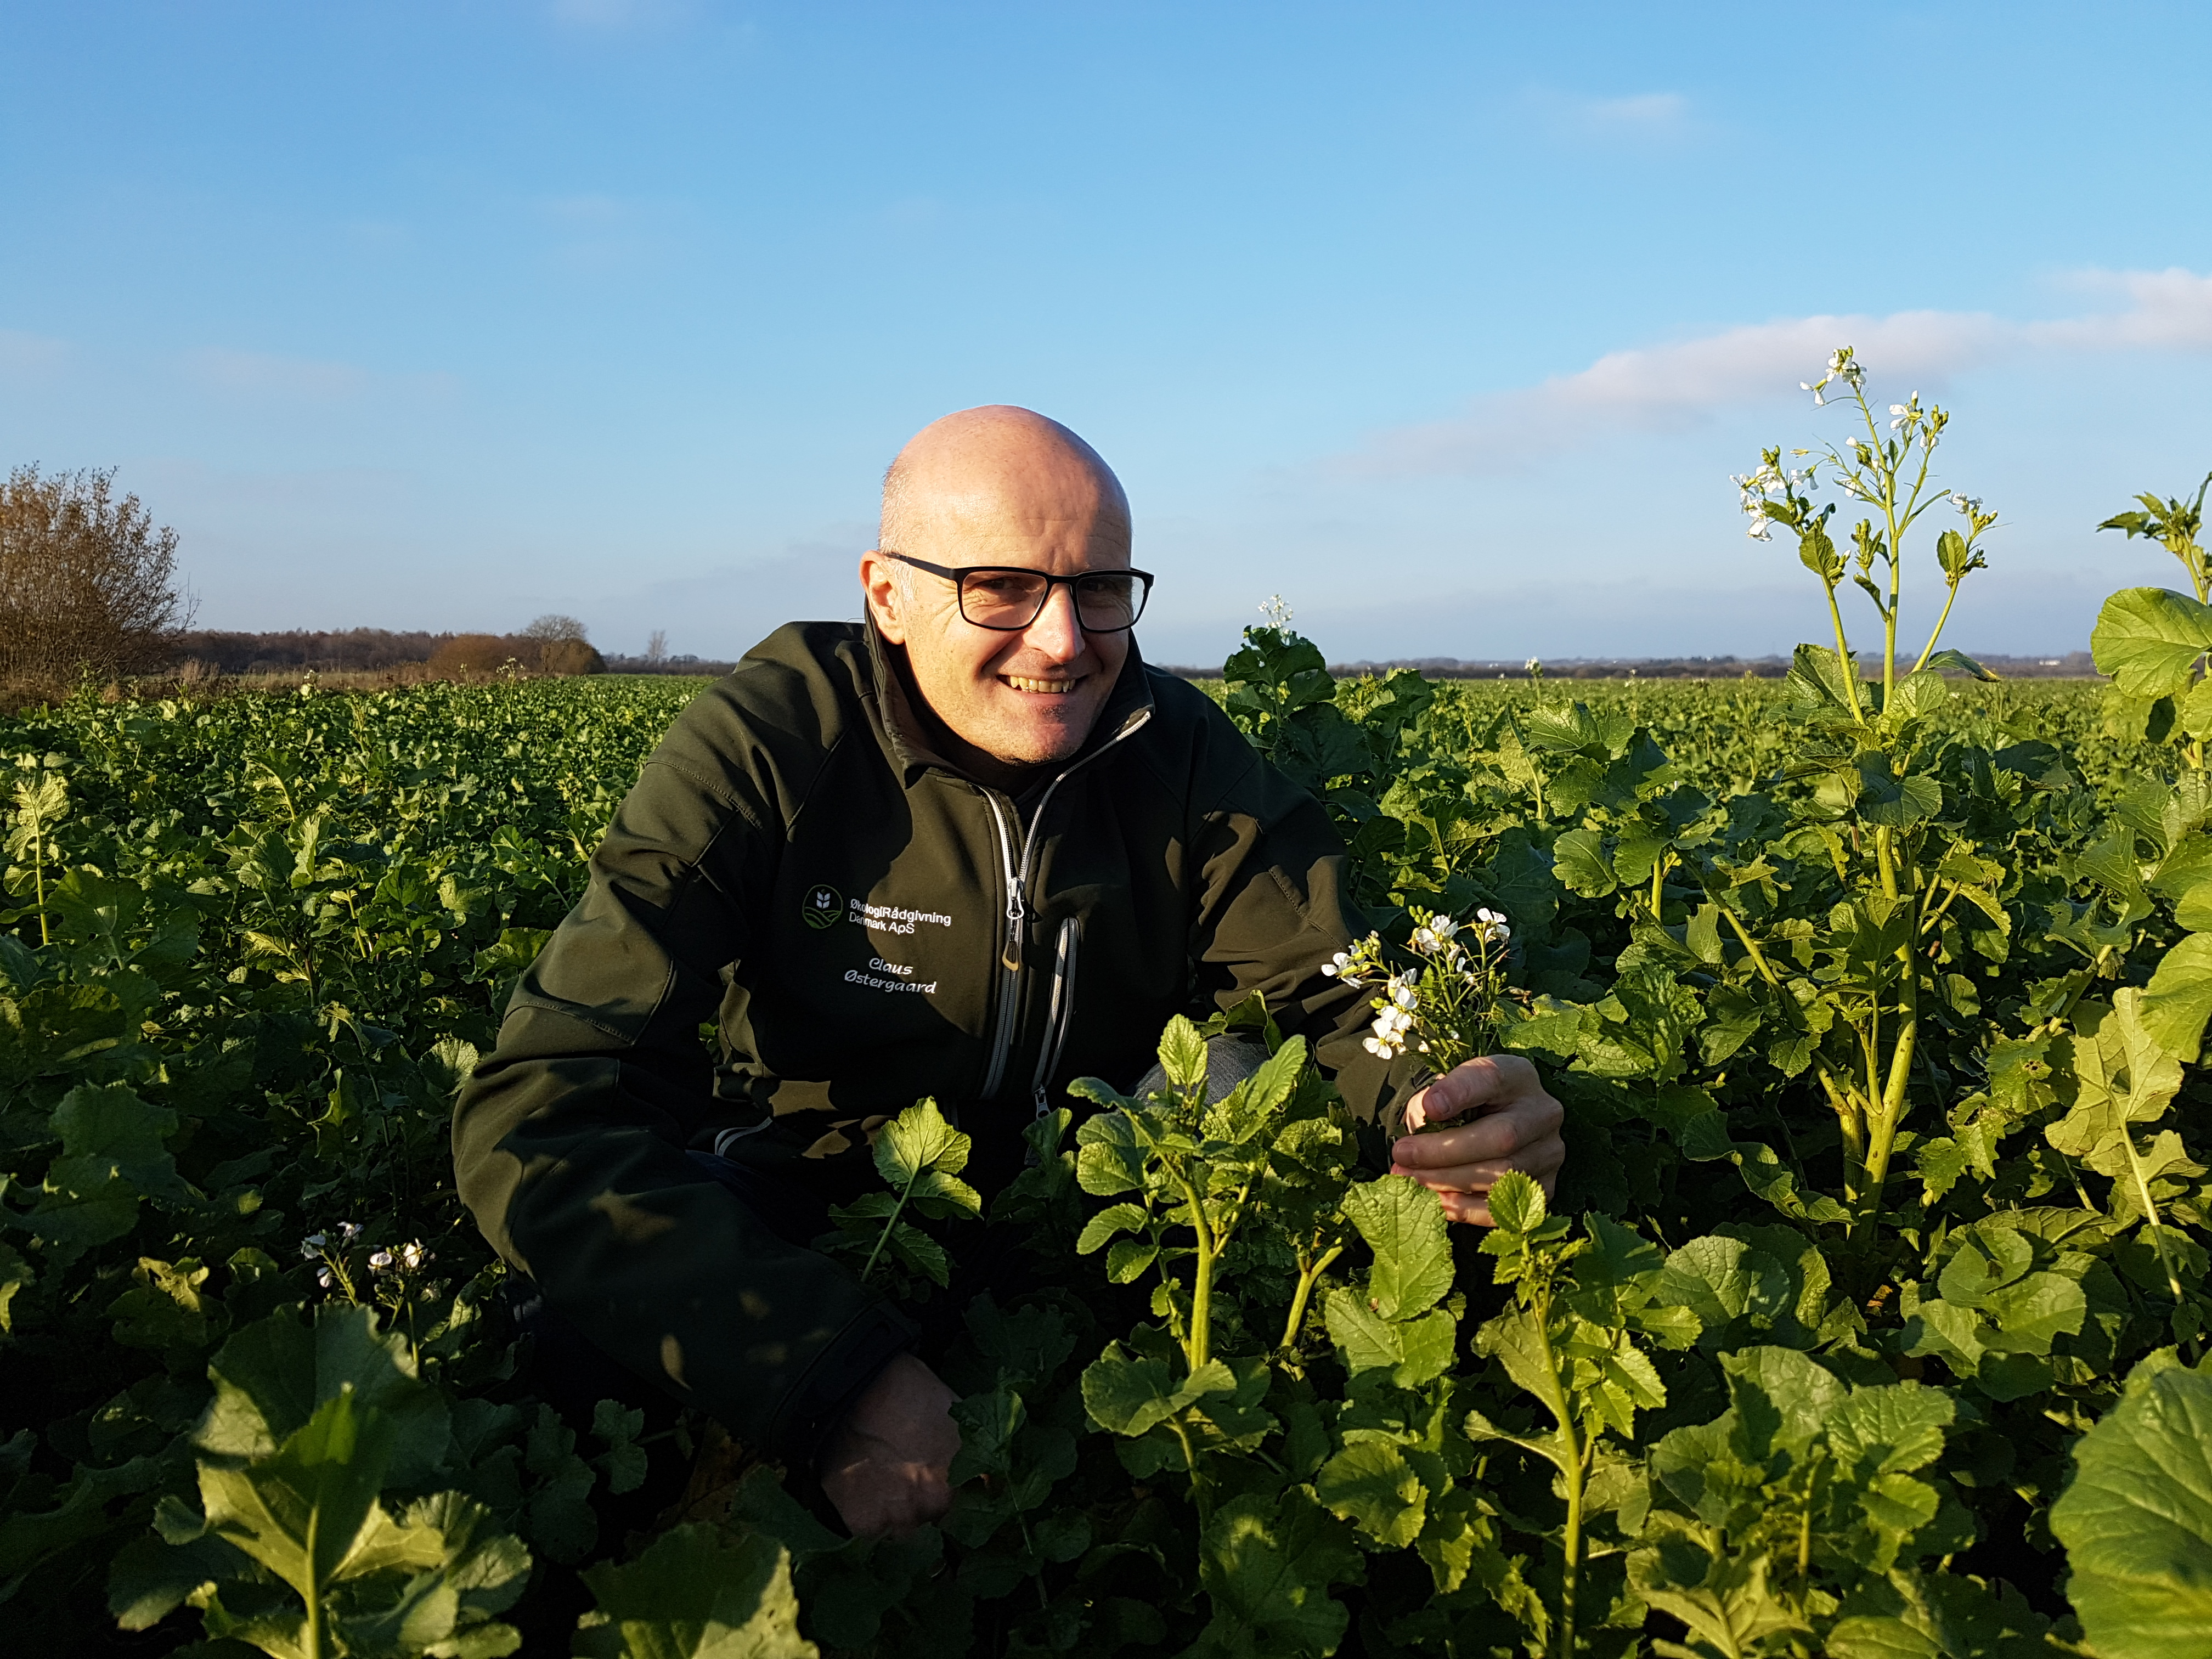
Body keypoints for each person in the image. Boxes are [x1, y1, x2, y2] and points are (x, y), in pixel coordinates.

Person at [452, 405, 1566, 1541]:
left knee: (1412, 1237)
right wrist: (828, 1381)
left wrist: (1450, 1104)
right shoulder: (775, 739)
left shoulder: (1178, 752)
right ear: (887, 594)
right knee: (572, 1342)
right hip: (824, 1206)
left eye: (1097, 590)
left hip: (1105, 1204)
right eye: (1001, 587)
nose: (1064, 642)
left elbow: (1339, 997)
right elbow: (540, 1109)